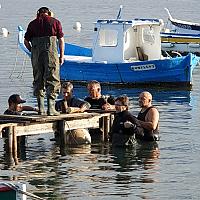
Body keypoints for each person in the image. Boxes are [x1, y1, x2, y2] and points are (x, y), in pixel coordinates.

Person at [24, 7, 65, 116]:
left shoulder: (32, 24)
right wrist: (62, 56)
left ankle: (41, 109)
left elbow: (26, 41)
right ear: (49, 13)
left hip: (36, 55)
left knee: (38, 79)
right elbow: (61, 40)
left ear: (38, 13)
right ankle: (51, 109)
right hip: (51, 54)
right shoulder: (55, 22)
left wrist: (32, 51)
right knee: (53, 78)